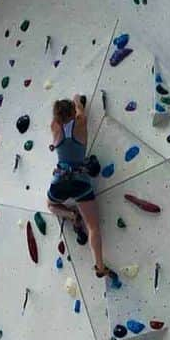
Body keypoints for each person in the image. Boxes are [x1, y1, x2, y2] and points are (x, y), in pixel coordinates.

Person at [46, 95, 107, 277]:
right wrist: (77, 101)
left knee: (50, 205)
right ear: (73, 113)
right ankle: (100, 267)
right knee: (93, 227)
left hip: (60, 181)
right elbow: (79, 107)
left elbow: (60, 118)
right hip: (80, 181)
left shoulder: (54, 127)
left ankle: (71, 214)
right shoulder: (81, 123)